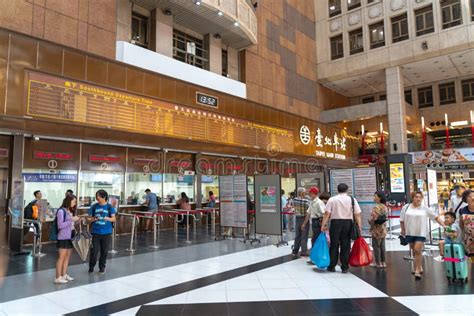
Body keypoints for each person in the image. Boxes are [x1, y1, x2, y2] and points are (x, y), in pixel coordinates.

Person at [400, 191, 445, 279]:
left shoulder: (424, 208)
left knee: (417, 249)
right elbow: (402, 220)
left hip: (421, 232)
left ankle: (417, 270)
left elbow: (435, 217)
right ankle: (419, 266)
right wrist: (403, 230)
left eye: (420, 197)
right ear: (412, 198)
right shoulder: (406, 207)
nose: (418, 199)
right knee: (414, 250)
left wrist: (443, 225)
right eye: (416, 197)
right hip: (410, 232)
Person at [321, 183, 362, 273]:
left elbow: (327, 213)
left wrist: (323, 224)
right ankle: (344, 267)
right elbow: (357, 214)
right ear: (347, 190)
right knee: (346, 245)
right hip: (348, 223)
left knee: (334, 245)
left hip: (335, 223)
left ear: (337, 190)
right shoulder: (352, 199)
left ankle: (332, 266)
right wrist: (359, 225)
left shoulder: (332, 199)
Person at [87, 190, 116, 275]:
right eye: (96, 196)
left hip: (106, 232)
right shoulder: (94, 206)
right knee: (94, 251)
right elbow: (88, 219)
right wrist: (93, 219)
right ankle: (91, 267)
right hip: (95, 232)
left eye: (98, 196)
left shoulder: (110, 207)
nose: (97, 198)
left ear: (104, 197)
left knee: (104, 251)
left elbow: (114, 218)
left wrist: (108, 219)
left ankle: (102, 268)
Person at [54, 194, 80, 284]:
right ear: (69, 201)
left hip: (70, 235)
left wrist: (76, 220)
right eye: (74, 201)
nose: (75, 203)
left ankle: (64, 274)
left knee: (67, 257)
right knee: (61, 257)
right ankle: (58, 277)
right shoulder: (61, 211)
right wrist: (71, 220)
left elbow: (71, 224)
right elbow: (60, 225)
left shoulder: (70, 210)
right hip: (63, 237)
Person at [368, 191, 388, 269]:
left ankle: (378, 263)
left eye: (375, 196)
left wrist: (369, 221)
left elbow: (373, 219)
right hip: (383, 228)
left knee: (376, 246)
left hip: (376, 229)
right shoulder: (385, 207)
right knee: (382, 245)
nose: (374, 198)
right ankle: (383, 262)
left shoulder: (376, 207)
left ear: (379, 198)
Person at [292, 187, 310, 259]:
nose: (305, 193)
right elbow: (308, 212)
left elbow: (293, 207)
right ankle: (303, 252)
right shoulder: (306, 201)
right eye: (305, 192)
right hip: (304, 219)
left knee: (297, 235)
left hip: (297, 219)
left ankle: (295, 251)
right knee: (304, 236)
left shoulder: (295, 200)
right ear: (302, 193)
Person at [459, 190, 474, 260]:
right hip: (468, 240)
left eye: (473, 196)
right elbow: (461, 224)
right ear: (465, 199)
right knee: (470, 261)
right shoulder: (462, 210)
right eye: (469, 197)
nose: (472, 198)